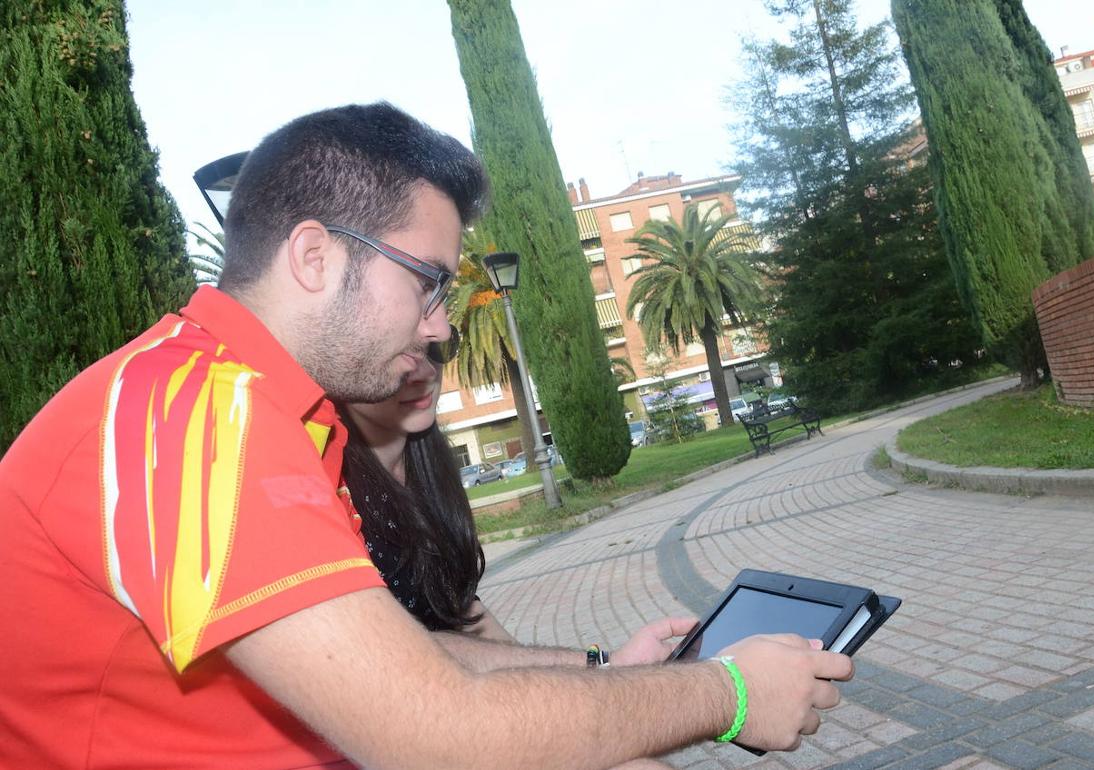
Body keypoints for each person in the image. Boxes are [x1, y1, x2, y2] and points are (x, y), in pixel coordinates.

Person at [0, 102, 853, 769]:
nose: (441, 324)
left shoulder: (253, 408)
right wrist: (729, 694)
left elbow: (405, 669)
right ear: (314, 257)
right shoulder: (191, 416)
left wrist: (612, 675)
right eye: (428, 281)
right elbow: (437, 734)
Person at [343, 331, 694, 662]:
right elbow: (406, 656)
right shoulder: (333, 495)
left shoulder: (429, 466)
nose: (425, 371)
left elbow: (465, 611)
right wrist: (601, 669)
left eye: (437, 347)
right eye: (400, 350)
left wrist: (604, 667)